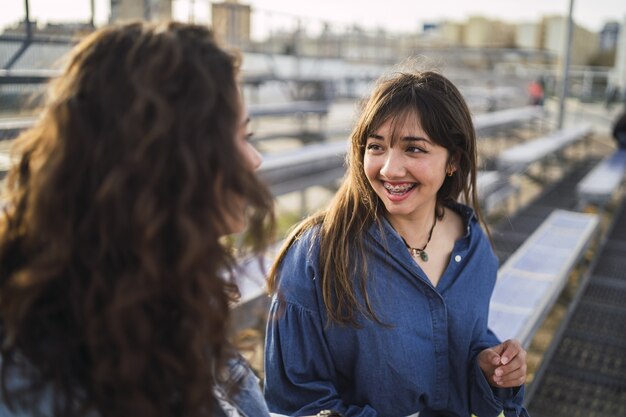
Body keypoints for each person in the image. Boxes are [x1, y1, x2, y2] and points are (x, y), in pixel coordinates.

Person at [0, 22, 276, 417]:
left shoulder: (166, 292)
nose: (255, 160)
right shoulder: (28, 371)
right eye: (240, 138)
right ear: (166, 160)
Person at [264, 70, 529, 417]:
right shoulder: (318, 254)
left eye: (414, 149)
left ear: (454, 161)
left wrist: (488, 365)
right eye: (376, 147)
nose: (390, 168)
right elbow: (296, 402)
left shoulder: (474, 244)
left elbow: (461, 337)